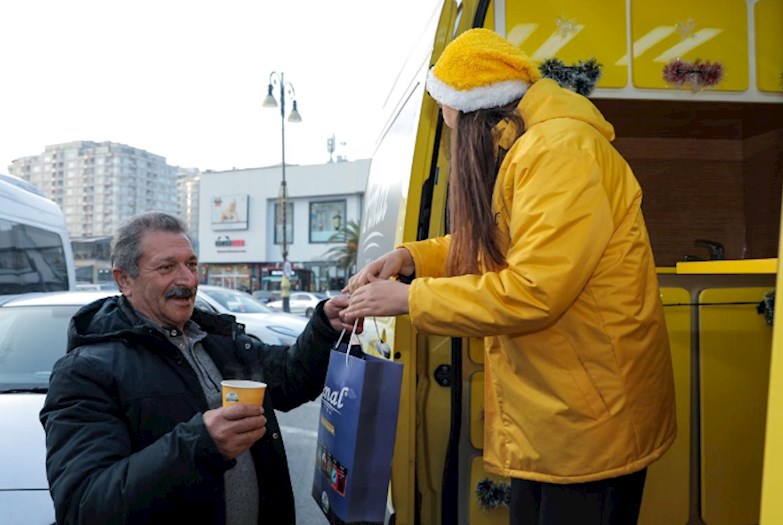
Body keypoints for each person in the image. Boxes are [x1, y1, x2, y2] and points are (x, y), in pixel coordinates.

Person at [342, 28, 676, 525]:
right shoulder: (529, 147)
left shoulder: (558, 151)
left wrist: (412, 300)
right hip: (558, 415)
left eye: (449, 117)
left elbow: (534, 291)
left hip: (587, 422)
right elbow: (503, 242)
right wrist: (413, 259)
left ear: (475, 109)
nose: (450, 131)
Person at [40, 211, 353, 525]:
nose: (188, 280)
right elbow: (84, 505)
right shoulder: (85, 371)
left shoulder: (218, 340)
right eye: (166, 267)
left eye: (191, 264)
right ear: (124, 279)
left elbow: (290, 379)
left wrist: (325, 326)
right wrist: (202, 444)